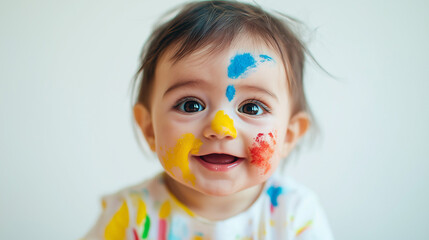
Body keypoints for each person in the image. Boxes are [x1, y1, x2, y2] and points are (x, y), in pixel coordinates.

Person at [82, 1, 334, 239]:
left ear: (289, 135)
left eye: (252, 108)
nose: (221, 128)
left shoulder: (297, 216)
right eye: (190, 105)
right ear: (149, 129)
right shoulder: (128, 215)